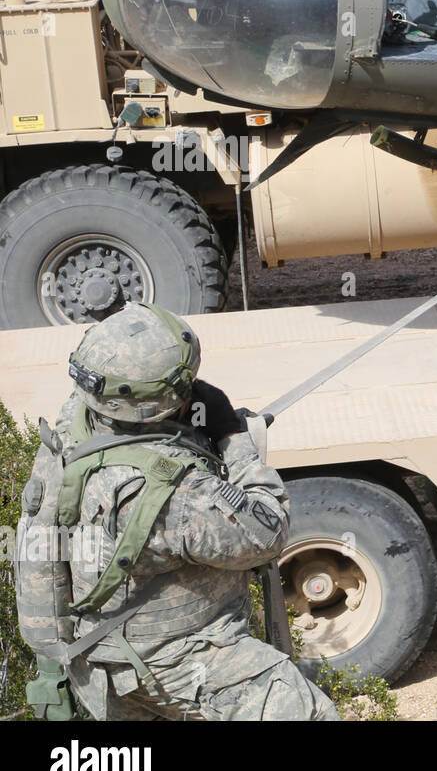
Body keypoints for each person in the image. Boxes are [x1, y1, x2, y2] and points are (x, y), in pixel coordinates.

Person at [15, 302, 337, 720]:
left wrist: (172, 414)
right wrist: (232, 436)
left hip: (93, 661)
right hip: (175, 659)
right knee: (304, 711)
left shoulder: (69, 426)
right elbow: (266, 532)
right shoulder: (177, 491)